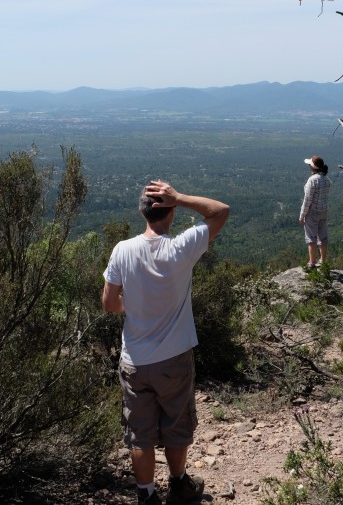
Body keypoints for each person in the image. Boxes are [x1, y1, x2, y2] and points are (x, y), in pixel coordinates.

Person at [102, 179, 230, 505]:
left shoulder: (122, 250)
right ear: (170, 214)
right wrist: (180, 197)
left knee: (139, 433)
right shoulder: (181, 248)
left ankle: (146, 496)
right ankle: (179, 485)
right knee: (176, 424)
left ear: (141, 212)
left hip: (134, 359)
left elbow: (108, 302)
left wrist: (131, 309)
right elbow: (220, 212)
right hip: (173, 359)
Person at [299, 155, 331, 269]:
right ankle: (323, 261)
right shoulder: (326, 179)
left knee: (311, 237)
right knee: (323, 237)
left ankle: (312, 262)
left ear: (313, 167)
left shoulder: (312, 180)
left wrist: (302, 215)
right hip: (324, 211)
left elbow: (307, 200)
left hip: (313, 212)